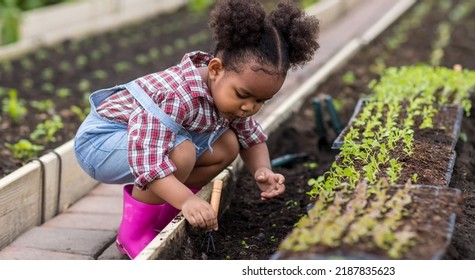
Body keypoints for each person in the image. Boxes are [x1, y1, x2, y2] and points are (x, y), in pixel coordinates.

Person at [73, 0, 319, 259]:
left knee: (228, 144)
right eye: (244, 95)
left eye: (260, 101)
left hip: (143, 144)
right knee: (181, 151)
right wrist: (188, 200)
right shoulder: (178, 95)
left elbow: (251, 138)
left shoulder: (230, 98)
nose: (249, 107)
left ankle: (165, 217)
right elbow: (150, 160)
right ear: (215, 69)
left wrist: (263, 170)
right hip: (101, 143)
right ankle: (134, 233)